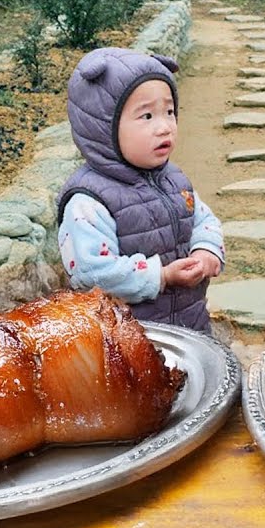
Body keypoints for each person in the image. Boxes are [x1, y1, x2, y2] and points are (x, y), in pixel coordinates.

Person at [56, 47, 224, 332]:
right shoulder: (88, 201)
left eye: (169, 112)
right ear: (103, 126)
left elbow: (203, 220)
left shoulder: (173, 179)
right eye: (147, 117)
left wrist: (206, 251)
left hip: (191, 325)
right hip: (131, 340)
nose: (164, 128)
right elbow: (90, 272)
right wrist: (162, 276)